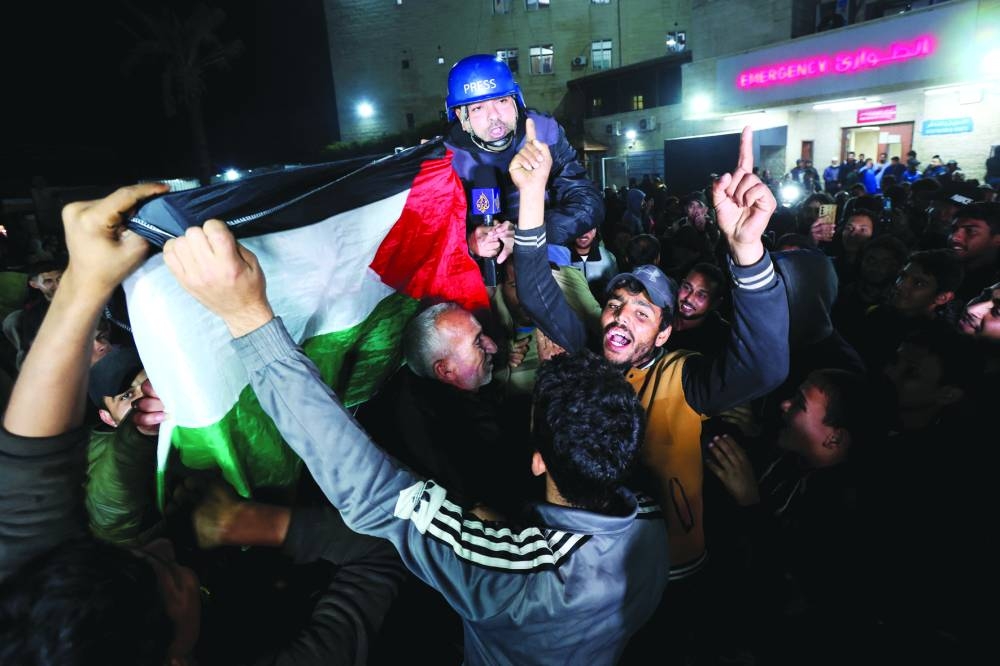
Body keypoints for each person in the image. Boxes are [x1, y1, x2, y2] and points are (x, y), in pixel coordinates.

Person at [0, 184, 415, 666]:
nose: (163, 544)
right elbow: (382, 555)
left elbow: (29, 473)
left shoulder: (27, 618)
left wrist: (83, 284)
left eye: (138, 554)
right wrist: (263, 525)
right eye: (175, 577)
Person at [512, 124, 788, 592]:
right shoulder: (589, 361)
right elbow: (538, 292)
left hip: (672, 578)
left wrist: (746, 252)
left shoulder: (682, 379)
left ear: (663, 334)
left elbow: (765, 365)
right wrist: (533, 195)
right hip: (596, 579)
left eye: (642, 314)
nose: (621, 318)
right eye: (615, 306)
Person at [442, 53, 603, 262]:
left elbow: (588, 203)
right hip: (483, 271)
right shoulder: (445, 158)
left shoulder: (544, 132)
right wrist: (468, 243)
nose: (494, 116)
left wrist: (526, 234)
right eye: (478, 108)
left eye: (501, 101)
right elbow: (431, 235)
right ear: (461, 118)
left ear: (516, 101)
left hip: (545, 255)